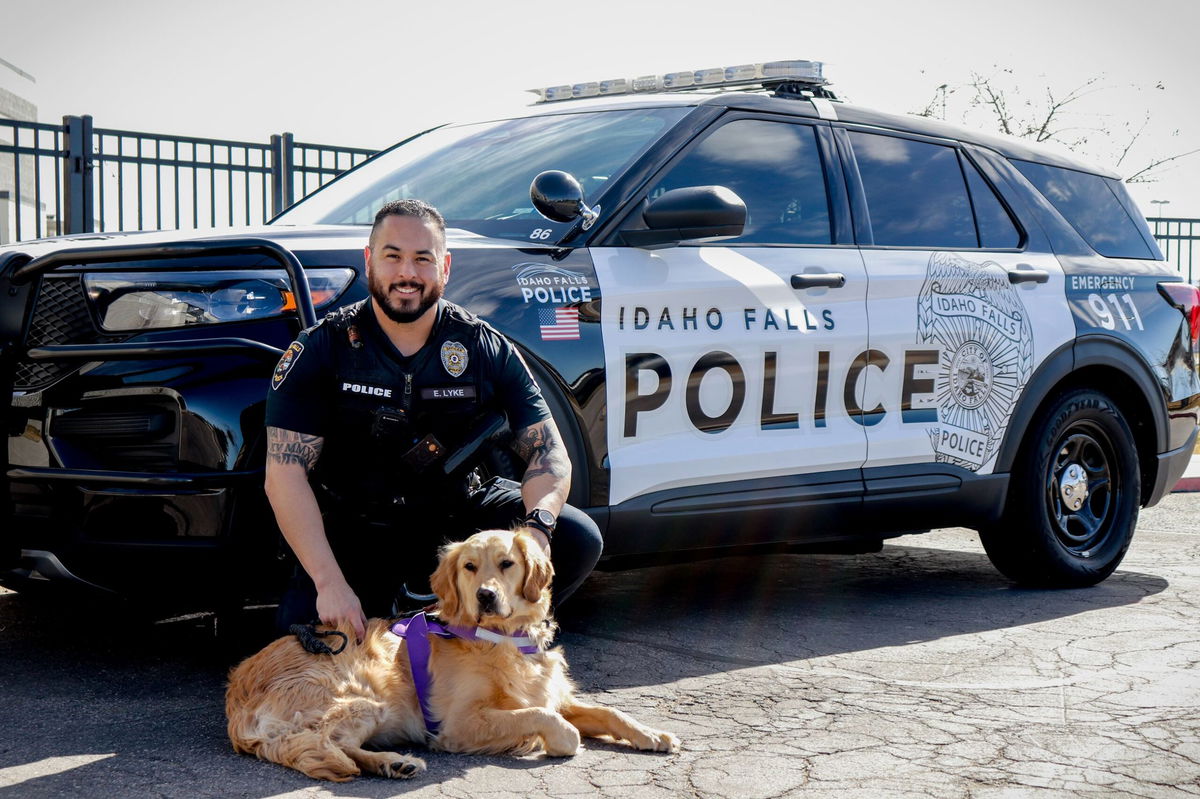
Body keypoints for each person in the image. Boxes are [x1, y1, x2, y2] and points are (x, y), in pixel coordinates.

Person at [264, 199, 603, 642]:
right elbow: (284, 475)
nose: (407, 273)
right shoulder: (322, 347)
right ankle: (419, 628)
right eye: (393, 256)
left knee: (576, 536)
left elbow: (547, 452)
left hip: (459, 516)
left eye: (423, 259)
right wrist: (329, 584)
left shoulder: (483, 346)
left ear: (444, 266)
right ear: (370, 261)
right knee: (310, 638)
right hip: (360, 528)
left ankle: (484, 644)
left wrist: (537, 533)